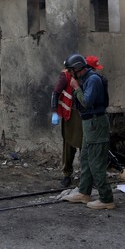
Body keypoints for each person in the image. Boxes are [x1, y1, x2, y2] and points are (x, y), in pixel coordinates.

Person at [61, 53, 115, 211]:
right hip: (88, 123)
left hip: (95, 123)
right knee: (85, 158)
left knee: (96, 162)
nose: (70, 74)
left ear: (77, 69)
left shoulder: (92, 80)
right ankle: (84, 192)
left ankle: (106, 198)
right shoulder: (87, 78)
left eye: (71, 71)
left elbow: (86, 101)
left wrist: (76, 88)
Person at [50, 58, 84, 188]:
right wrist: (55, 111)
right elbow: (56, 93)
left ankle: (85, 175)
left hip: (83, 114)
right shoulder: (65, 76)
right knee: (68, 145)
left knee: (84, 146)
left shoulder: (87, 75)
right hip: (71, 114)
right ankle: (67, 174)